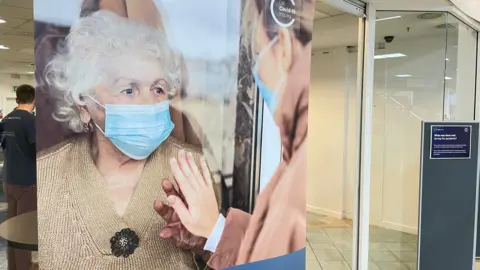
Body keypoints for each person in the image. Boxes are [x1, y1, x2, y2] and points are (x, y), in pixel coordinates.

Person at [37, 11, 219, 269]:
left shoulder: (195, 170)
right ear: (84, 104)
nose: (148, 102)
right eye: (129, 89)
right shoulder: (45, 174)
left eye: (158, 88)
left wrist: (206, 245)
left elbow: (223, 257)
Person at [154, 0, 314, 268]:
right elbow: (272, 243)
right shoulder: (295, 148)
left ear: (283, 46)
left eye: (257, 55)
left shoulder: (299, 162)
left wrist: (215, 231)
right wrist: (209, 238)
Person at [0, 84, 37, 270]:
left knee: (13, 226)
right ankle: (25, 267)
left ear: (17, 99)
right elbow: (38, 149)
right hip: (27, 182)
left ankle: (13, 266)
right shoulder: (31, 121)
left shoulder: (6, 119)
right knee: (23, 229)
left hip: (8, 179)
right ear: (34, 100)